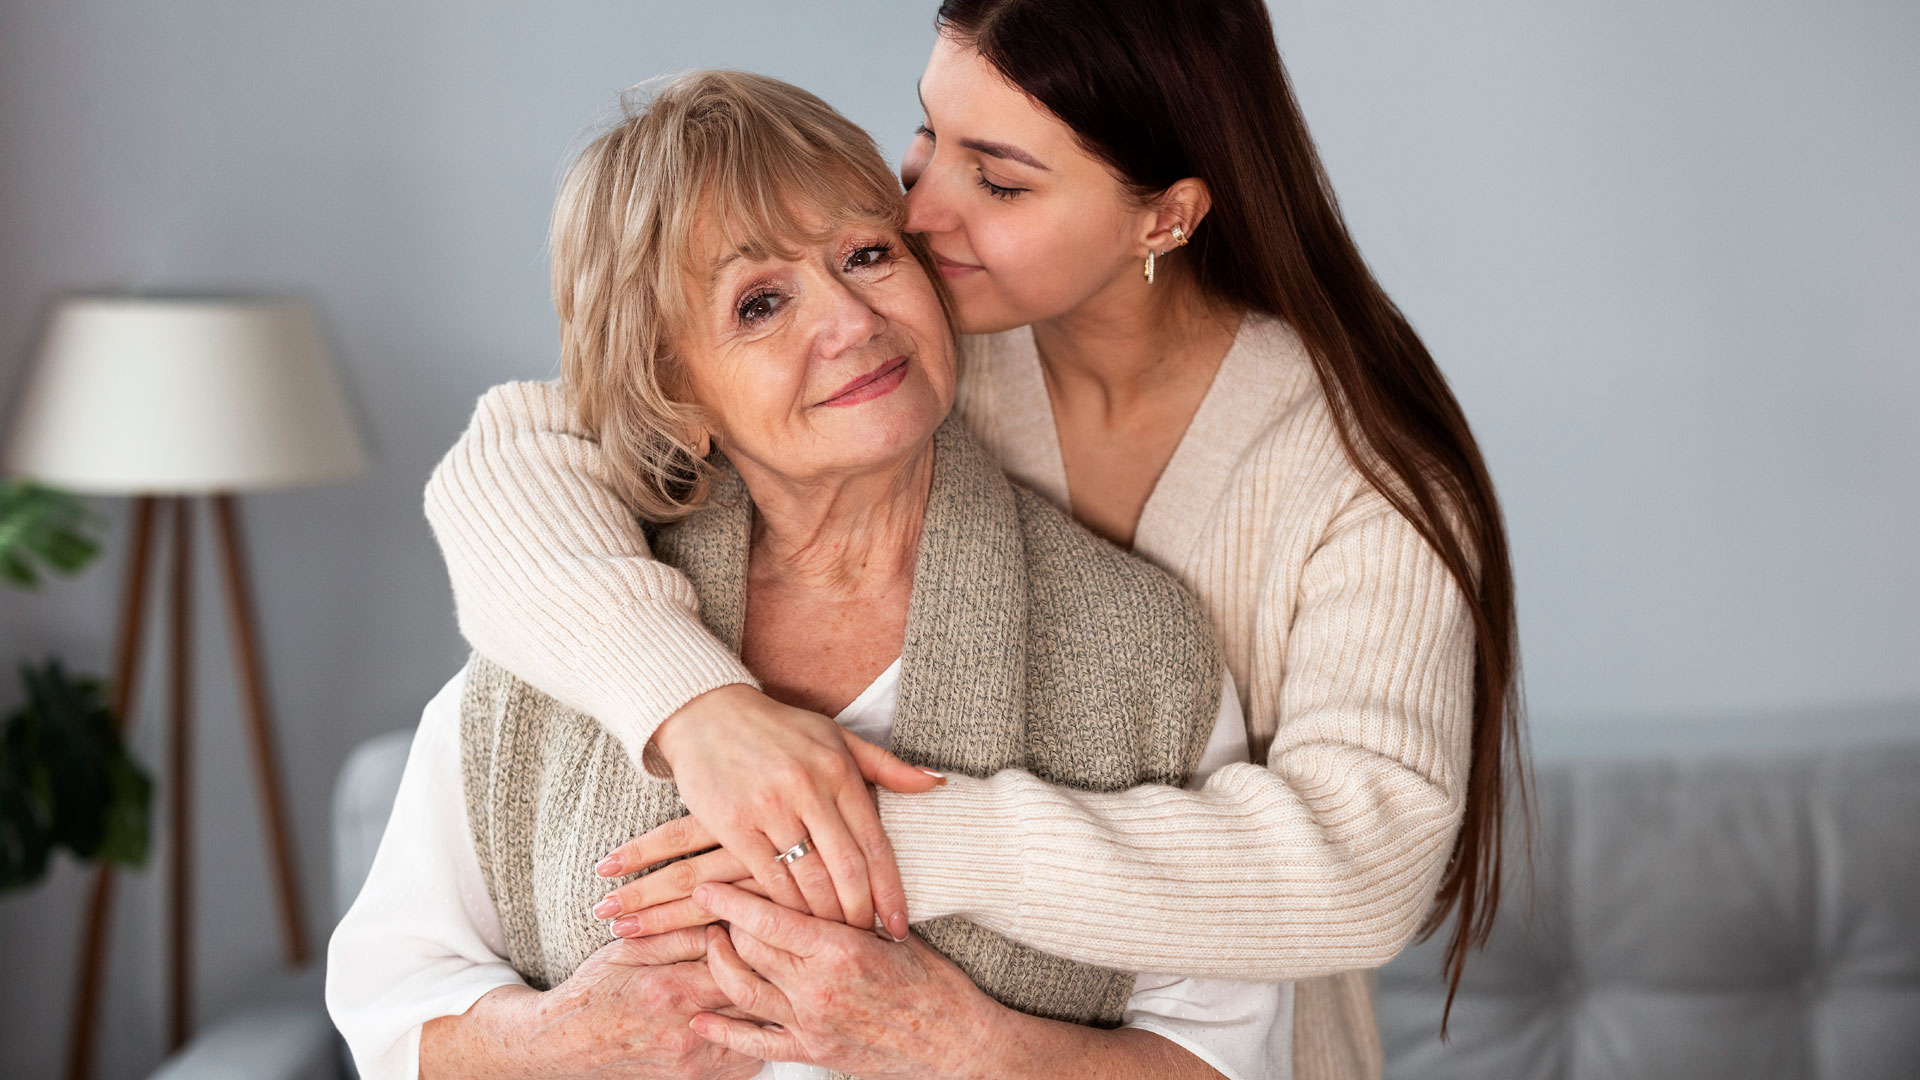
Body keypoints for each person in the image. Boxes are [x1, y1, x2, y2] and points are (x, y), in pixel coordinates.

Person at [423, 2, 1527, 1076]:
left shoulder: (1362, 478)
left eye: (997, 179)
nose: (920, 211)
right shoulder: (901, 349)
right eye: (926, 136)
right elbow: (518, 453)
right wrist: (698, 711)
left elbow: (1366, 866)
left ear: (1166, 217)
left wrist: (877, 844)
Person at [328, 69, 1291, 1080]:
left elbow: (1225, 1058)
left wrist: (967, 1048)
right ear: (675, 390)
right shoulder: (566, 618)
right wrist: (567, 1043)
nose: (851, 320)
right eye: (760, 304)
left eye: (867, 254)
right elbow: (393, 1014)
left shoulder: (1141, 651)